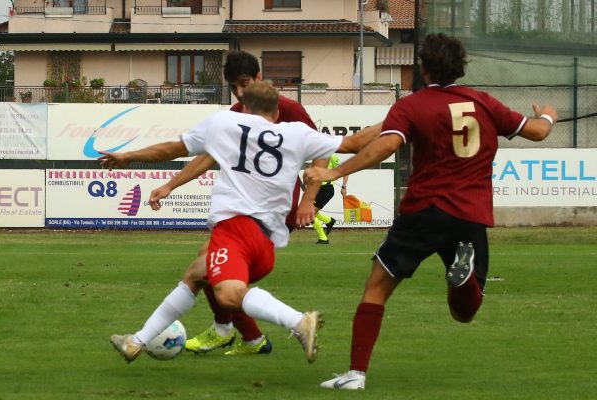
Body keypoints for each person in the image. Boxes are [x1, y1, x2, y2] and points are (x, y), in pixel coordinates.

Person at [304, 33, 557, 390]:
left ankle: (356, 375)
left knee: (377, 286)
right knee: (464, 312)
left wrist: (333, 171)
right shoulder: (484, 102)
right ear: (459, 69)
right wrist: (547, 115)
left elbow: (387, 145)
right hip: (470, 215)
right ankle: (463, 277)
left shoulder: (412, 105)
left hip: (424, 210)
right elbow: (537, 132)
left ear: (421, 68)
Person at [100, 81, 382, 366]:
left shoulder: (225, 123)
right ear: (276, 112)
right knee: (196, 273)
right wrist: (397, 118)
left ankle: (298, 322)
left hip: (235, 229)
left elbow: (173, 149)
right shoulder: (296, 133)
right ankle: (137, 341)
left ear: (245, 107)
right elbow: (355, 143)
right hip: (266, 242)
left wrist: (128, 155)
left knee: (228, 295)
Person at [149, 51, 329, 356]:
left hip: (272, 209)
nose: (239, 93)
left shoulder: (287, 108)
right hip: (247, 208)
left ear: (259, 78)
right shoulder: (236, 113)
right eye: (233, 87)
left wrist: (308, 200)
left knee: (210, 268)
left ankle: (234, 331)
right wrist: (170, 185)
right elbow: (208, 157)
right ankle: (249, 338)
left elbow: (320, 151)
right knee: (207, 264)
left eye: (243, 84)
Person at [311, 154, 348, 244]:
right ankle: (329, 221)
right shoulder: (315, 156)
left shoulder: (332, 157)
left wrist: (343, 187)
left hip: (325, 189)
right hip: (316, 188)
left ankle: (323, 238)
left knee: (309, 214)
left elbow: (345, 171)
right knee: (309, 212)